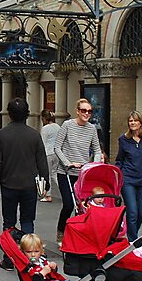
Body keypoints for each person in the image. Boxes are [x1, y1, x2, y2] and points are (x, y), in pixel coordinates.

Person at [0, 97, 49, 271]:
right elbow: (42, 162)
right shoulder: (34, 135)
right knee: (27, 220)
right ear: (27, 114)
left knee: (8, 223)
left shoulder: (1, 135)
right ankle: (29, 256)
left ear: (9, 114)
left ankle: (9, 259)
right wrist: (44, 183)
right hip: (29, 185)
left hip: (9, 184)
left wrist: (2, 178)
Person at [54, 98, 102, 244]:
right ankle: (61, 231)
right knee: (69, 204)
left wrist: (96, 162)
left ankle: (77, 235)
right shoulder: (67, 125)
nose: (86, 113)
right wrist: (68, 163)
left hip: (83, 174)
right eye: (83, 110)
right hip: (66, 172)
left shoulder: (92, 128)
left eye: (89, 111)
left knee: (81, 206)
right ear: (77, 111)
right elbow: (57, 147)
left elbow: (97, 149)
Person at [114, 111, 142, 242]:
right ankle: (133, 240)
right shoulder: (124, 139)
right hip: (128, 180)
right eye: (130, 121)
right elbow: (119, 159)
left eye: (135, 121)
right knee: (132, 212)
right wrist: (119, 174)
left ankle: (132, 231)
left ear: (140, 123)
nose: (132, 123)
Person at [40, 110, 61, 203]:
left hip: (48, 153)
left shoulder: (45, 129)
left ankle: (48, 195)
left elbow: (42, 143)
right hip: (56, 153)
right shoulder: (57, 126)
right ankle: (66, 192)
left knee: (47, 174)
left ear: (44, 118)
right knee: (54, 174)